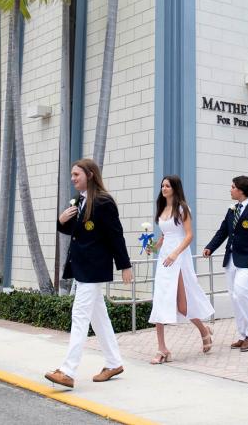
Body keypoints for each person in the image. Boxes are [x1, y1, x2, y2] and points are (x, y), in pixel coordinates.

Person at [46, 159, 132, 390]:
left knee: (80, 315)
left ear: (90, 175)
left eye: (77, 174)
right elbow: (76, 232)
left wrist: (125, 265)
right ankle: (114, 362)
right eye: (72, 175)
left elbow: (116, 235)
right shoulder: (80, 200)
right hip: (82, 266)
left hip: (94, 268)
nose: (73, 178)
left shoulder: (103, 201)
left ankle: (67, 370)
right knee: (98, 317)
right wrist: (61, 221)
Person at [147, 175, 214, 362]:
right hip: (164, 259)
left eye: (167, 185)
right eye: (162, 185)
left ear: (175, 188)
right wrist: (152, 247)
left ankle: (204, 331)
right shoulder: (162, 209)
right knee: (160, 300)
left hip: (179, 257)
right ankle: (162, 349)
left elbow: (189, 235)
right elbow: (163, 236)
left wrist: (176, 253)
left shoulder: (182, 208)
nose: (164, 188)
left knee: (183, 306)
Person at [203, 175, 248, 352]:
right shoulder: (232, 209)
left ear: (241, 190)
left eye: (232, 187)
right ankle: (243, 335)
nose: (230, 189)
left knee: (242, 293)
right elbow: (223, 231)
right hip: (231, 259)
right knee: (234, 297)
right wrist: (210, 247)